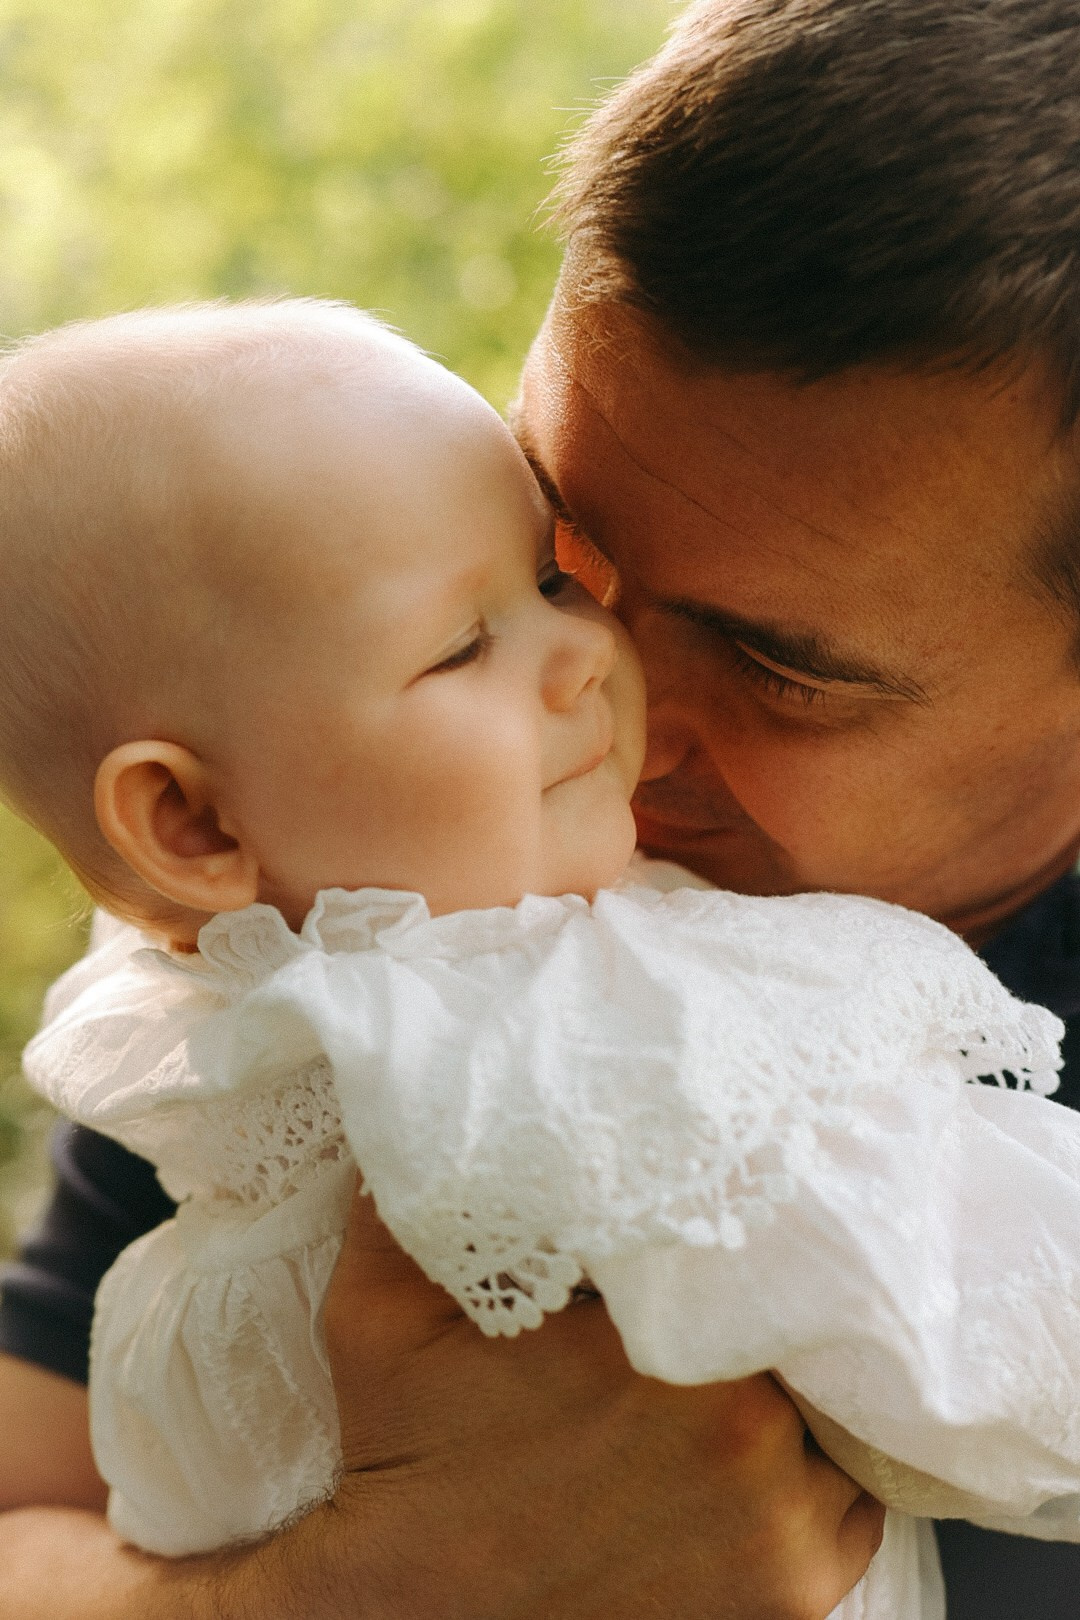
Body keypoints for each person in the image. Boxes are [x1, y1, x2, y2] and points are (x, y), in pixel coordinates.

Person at [4, 0, 1080, 1614]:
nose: (607, 687)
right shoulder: (337, 932)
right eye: (561, 547)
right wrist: (345, 1589)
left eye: (778, 668)